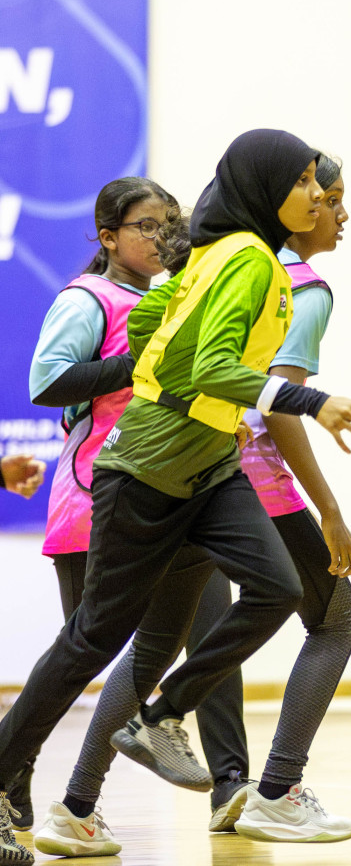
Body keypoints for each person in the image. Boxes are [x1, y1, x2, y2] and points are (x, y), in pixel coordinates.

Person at [0, 129, 351, 866]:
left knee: (277, 589)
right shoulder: (244, 257)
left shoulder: (221, 255)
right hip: (146, 465)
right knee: (92, 641)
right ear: (266, 190)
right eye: (305, 182)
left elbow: (150, 320)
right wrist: (312, 401)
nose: (318, 195)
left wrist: (161, 361)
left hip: (209, 463)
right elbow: (206, 362)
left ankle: (162, 718)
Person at [18, 177, 185, 833]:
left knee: (187, 634)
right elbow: (49, 382)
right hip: (93, 502)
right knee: (77, 661)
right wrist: (139, 360)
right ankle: (16, 778)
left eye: (169, 224)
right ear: (109, 237)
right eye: (147, 224)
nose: (161, 236)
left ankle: (240, 786)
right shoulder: (89, 297)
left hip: (162, 500)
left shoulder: (168, 301)